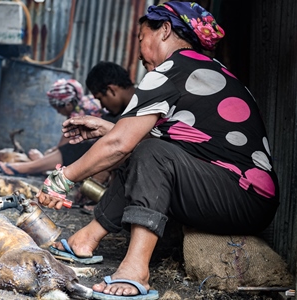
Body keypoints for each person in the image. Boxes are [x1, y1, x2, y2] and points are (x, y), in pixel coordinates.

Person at [37, 2, 279, 299]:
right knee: (146, 148)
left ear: (164, 30)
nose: (139, 53)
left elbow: (124, 145)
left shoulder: (171, 70)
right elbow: (180, 140)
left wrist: (62, 179)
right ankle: (84, 241)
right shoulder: (203, 70)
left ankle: (136, 269)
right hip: (239, 193)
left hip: (243, 195)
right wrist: (107, 126)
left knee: (151, 152)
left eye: (140, 39)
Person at [0, 64, 135, 180]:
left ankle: (29, 168)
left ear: (111, 90)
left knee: (75, 149)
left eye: (100, 98)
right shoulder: (116, 113)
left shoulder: (142, 109)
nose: (102, 106)